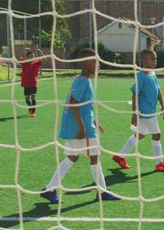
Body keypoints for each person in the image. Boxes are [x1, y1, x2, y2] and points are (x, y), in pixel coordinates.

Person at [41, 48, 120, 203]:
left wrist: (96, 122)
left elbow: (85, 106)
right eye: (95, 61)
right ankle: (102, 191)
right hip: (83, 130)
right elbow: (74, 102)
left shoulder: (81, 79)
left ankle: (50, 189)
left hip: (81, 127)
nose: (98, 64)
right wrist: (82, 126)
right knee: (94, 157)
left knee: (72, 158)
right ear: (85, 63)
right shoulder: (83, 81)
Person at [112, 49, 164, 172]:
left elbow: (158, 90)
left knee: (140, 135)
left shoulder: (152, 73)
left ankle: (120, 156)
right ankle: (159, 163)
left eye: (156, 59)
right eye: (152, 59)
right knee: (157, 134)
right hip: (146, 112)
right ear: (144, 60)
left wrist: (163, 106)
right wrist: (134, 113)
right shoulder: (141, 76)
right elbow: (134, 94)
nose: (155, 61)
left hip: (151, 111)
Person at [20, 48, 44, 117]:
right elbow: (16, 56)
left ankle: (33, 112)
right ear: (27, 57)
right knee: (27, 99)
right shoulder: (24, 63)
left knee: (33, 97)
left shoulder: (36, 63)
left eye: (33, 56)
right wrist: (23, 50)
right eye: (30, 56)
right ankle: (30, 108)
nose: (32, 57)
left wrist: (40, 51)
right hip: (26, 84)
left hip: (33, 83)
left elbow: (45, 59)